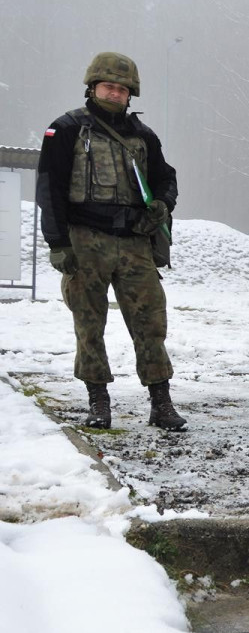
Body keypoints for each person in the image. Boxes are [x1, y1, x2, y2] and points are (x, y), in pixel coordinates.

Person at [37, 51, 186, 431]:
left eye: (122, 89)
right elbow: (50, 188)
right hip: (85, 240)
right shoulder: (67, 128)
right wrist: (58, 242)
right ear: (92, 86)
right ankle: (98, 401)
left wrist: (162, 206)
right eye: (108, 86)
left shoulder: (143, 135)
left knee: (150, 320)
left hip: (134, 241)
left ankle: (161, 402)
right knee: (89, 323)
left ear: (130, 94)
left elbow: (166, 179)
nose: (115, 93)